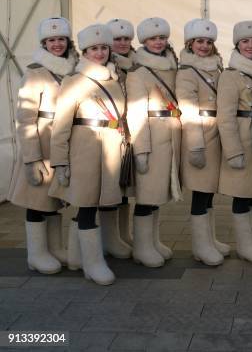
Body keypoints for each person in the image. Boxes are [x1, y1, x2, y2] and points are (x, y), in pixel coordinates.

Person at [49, 23, 125, 285]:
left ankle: (77, 257)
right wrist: (59, 162)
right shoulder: (74, 81)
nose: (100, 53)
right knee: (86, 205)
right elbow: (61, 126)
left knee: (96, 203)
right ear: (84, 51)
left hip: (110, 150)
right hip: (84, 152)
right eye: (94, 48)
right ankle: (93, 264)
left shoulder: (114, 80)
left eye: (104, 47)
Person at [8, 17, 77, 274]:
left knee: (55, 199)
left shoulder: (72, 70)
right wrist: (31, 158)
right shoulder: (35, 72)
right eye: (51, 40)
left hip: (62, 143)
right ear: (44, 43)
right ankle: (36, 254)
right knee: (36, 199)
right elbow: (25, 118)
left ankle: (55, 248)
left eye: (61, 39)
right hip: (41, 143)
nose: (57, 44)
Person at [127, 17, 182, 267]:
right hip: (151, 138)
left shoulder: (171, 67)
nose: (158, 42)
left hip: (169, 136)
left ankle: (153, 241)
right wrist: (141, 150)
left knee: (158, 193)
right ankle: (141, 247)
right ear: (144, 41)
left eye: (161, 38)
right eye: (152, 38)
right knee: (146, 195)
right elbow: (136, 113)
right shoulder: (138, 73)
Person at [176, 18, 230, 266]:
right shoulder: (187, 71)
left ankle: (209, 239)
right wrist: (195, 145)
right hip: (201, 134)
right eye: (199, 41)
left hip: (216, 132)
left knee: (209, 192)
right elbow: (188, 109)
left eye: (208, 42)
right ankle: (200, 245)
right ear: (190, 43)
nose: (204, 46)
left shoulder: (217, 68)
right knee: (200, 192)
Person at [217, 20, 252, 265]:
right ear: (237, 44)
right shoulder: (230, 75)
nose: (251, 45)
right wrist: (233, 151)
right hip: (242, 137)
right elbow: (225, 116)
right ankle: (245, 245)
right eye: (245, 41)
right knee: (241, 193)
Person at [95, 18, 136, 258]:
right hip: (111, 133)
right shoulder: (104, 64)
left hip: (132, 131)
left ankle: (122, 235)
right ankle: (109, 239)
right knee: (108, 187)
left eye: (126, 39)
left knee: (125, 186)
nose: (122, 43)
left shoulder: (138, 63)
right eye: (117, 39)